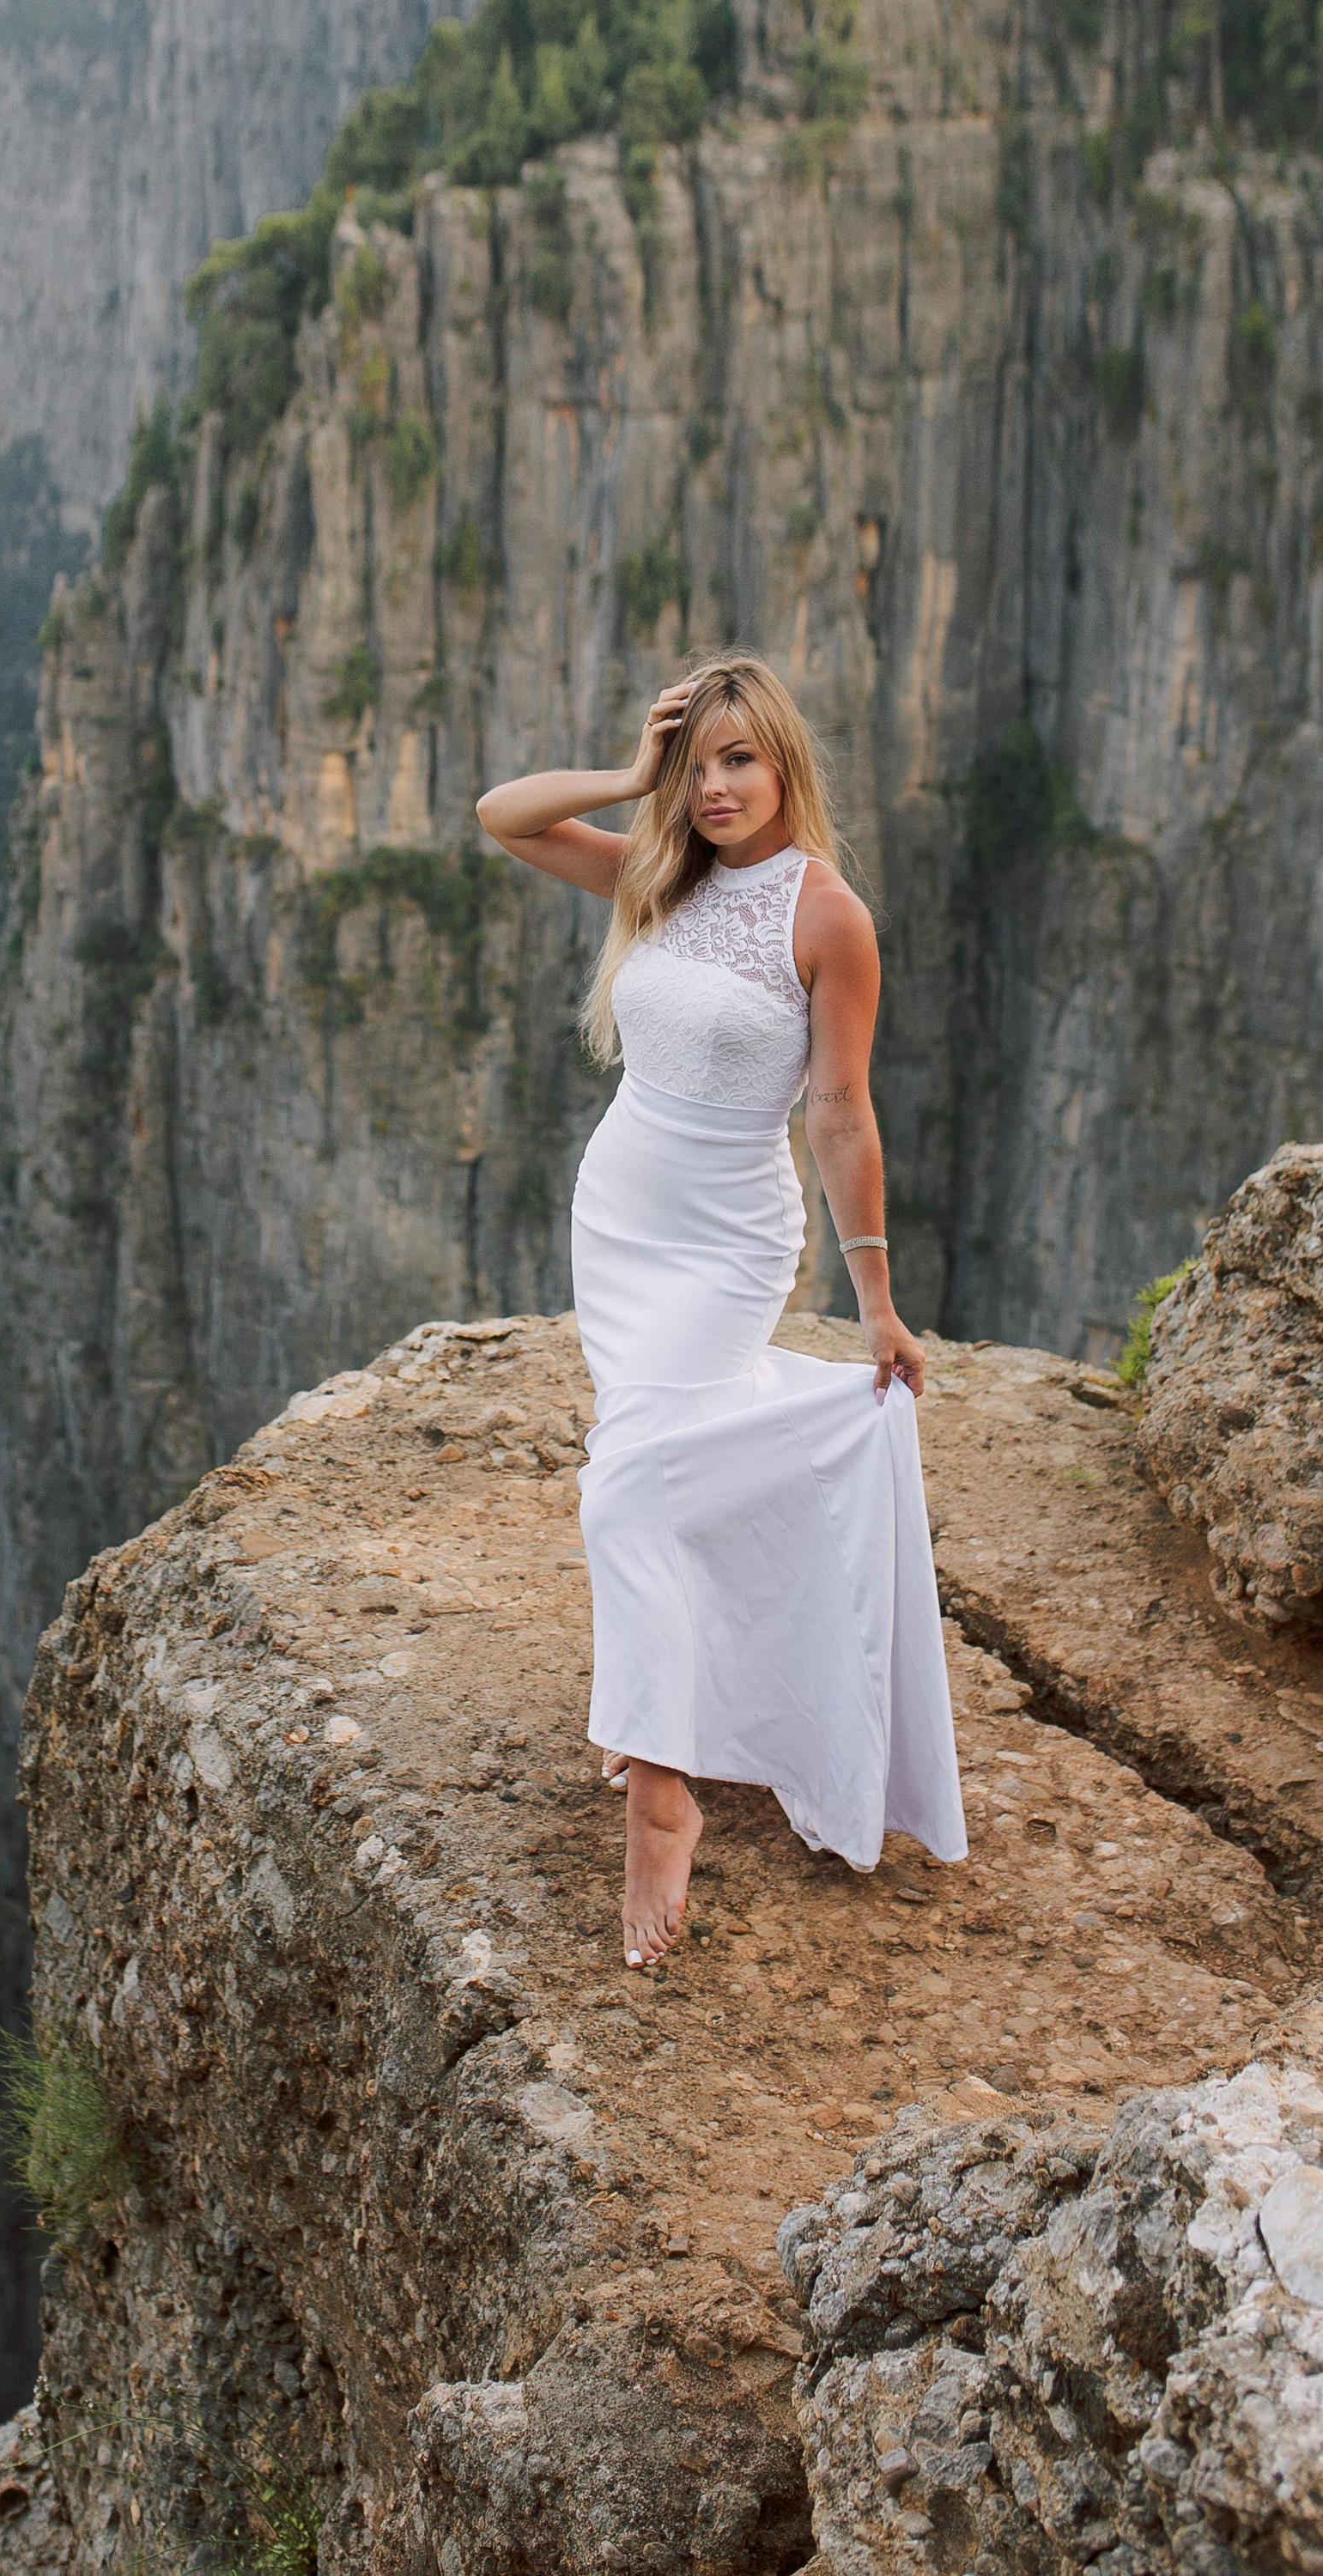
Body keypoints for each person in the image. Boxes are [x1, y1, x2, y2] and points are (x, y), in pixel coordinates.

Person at [476, 652, 967, 1969]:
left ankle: (661, 1790)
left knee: (626, 1488)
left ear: (786, 762)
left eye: (738, 760)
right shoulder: (656, 872)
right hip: (624, 1215)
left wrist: (876, 1303)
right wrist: (637, 775)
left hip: (730, 1237)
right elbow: (503, 814)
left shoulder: (828, 916)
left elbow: (842, 1111)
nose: (716, 789)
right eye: (697, 767)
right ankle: (668, 1694)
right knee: (662, 1463)